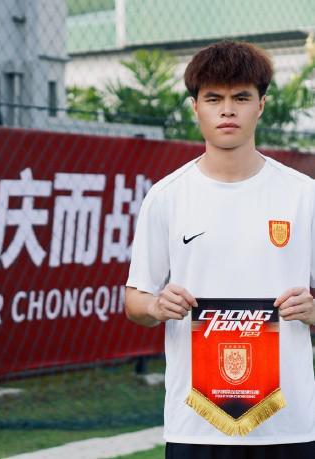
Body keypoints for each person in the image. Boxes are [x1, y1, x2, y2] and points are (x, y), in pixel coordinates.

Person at [125, 40, 315, 458]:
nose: (227, 111)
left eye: (241, 98)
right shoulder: (166, 197)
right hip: (197, 424)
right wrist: (156, 305)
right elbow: (135, 299)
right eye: (214, 99)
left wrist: (312, 311)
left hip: (287, 425)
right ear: (195, 107)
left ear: (261, 105)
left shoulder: (304, 196)